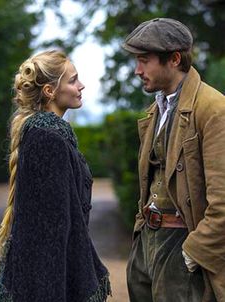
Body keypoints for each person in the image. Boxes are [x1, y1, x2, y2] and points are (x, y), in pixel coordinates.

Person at [0, 50, 111, 302]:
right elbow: (50, 233)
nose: (81, 86)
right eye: (72, 80)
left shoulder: (52, 135)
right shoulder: (47, 139)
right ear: (49, 91)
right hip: (44, 284)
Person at [122, 18, 225, 302]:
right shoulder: (155, 110)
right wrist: (141, 241)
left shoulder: (214, 109)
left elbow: (223, 200)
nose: (137, 70)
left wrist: (195, 251)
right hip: (147, 241)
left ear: (174, 59)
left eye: (144, 60)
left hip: (182, 245)